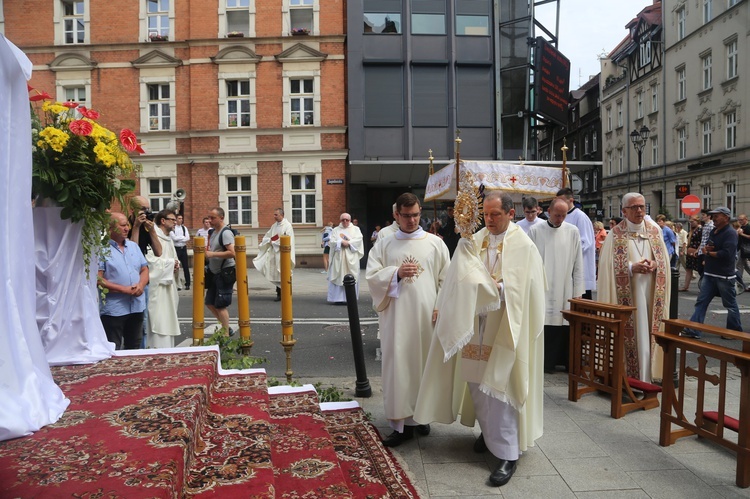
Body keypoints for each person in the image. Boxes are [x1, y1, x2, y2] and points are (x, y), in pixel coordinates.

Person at [415, 191, 546, 488]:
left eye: (495, 214)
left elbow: (530, 288)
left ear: (510, 214)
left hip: (506, 327)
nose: (489, 219)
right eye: (485, 214)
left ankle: (508, 453)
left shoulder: (523, 245)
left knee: (501, 386)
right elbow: (459, 277)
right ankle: (490, 437)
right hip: (477, 324)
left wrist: (501, 290)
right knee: (476, 382)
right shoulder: (475, 240)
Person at [366, 193, 450, 447]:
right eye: (406, 216)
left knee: (424, 366)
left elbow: (446, 280)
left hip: (427, 318)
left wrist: (440, 307)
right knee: (399, 367)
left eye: (415, 215)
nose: (412, 220)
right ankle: (400, 426)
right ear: (396, 215)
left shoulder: (435, 244)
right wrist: (396, 274)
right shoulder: (385, 243)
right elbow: (371, 277)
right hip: (396, 318)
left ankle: (421, 417)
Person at [597, 193, 672, 382]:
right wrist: (631, 267)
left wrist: (655, 265)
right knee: (634, 332)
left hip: (651, 291)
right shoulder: (615, 234)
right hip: (628, 292)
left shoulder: (654, 231)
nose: (639, 210)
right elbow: (606, 267)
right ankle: (627, 377)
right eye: (634, 207)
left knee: (649, 330)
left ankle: (649, 376)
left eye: (642, 206)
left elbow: (664, 261)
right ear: (624, 211)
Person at [528, 197, 584, 373]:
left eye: (563, 215)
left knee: (564, 324)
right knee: (545, 323)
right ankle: (546, 362)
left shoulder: (573, 231)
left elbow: (578, 262)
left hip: (565, 285)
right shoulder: (536, 230)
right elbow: (529, 260)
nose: (560, 219)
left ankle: (563, 361)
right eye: (557, 215)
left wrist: (578, 291)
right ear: (548, 212)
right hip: (542, 285)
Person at [681, 207, 743, 339]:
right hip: (710, 274)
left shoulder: (730, 233)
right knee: (701, 302)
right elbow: (709, 246)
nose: (714, 218)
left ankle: (734, 331)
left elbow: (727, 254)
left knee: (730, 304)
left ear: (726, 217)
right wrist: (706, 249)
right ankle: (694, 330)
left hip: (724, 276)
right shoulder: (714, 231)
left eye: (717, 216)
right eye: (713, 216)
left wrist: (708, 253)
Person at [98, 213, 149, 350]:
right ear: (111, 228)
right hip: (114, 309)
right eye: (122, 225)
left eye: (127, 225)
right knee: (113, 346)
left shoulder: (133, 246)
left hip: (136, 306)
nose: (127, 228)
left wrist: (141, 285)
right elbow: (98, 279)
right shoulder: (101, 249)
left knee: (134, 345)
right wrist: (124, 290)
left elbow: (144, 269)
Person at [145, 210, 181, 348]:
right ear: (163, 221)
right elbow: (149, 260)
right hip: (158, 287)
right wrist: (170, 264)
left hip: (169, 285)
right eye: (172, 219)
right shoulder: (153, 235)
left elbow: (173, 258)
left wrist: (176, 264)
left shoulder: (168, 238)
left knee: (168, 319)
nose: (175, 222)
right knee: (159, 321)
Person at [556, 188, 595, 299]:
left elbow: (586, 242)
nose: (560, 204)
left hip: (579, 266)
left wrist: (566, 252)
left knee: (583, 307)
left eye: (562, 201)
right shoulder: (563, 216)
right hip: (566, 266)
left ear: (571, 200)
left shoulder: (580, 217)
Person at [205, 207, 236, 335]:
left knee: (220, 304)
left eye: (213, 218)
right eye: (209, 217)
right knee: (209, 302)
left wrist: (212, 255)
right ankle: (226, 327)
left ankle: (226, 334)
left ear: (221, 218)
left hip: (224, 272)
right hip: (214, 272)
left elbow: (232, 253)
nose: (210, 220)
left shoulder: (226, 233)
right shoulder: (212, 232)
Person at [253, 208, 295, 301]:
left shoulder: (287, 226)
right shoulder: (274, 226)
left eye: (276, 215)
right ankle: (279, 293)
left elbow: (287, 239)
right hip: (275, 253)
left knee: (284, 272)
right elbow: (268, 237)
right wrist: (269, 241)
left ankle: (287, 293)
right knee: (276, 273)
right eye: (274, 214)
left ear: (281, 215)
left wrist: (274, 242)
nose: (274, 216)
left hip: (283, 253)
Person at [327, 213, 364, 303]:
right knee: (338, 276)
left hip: (351, 257)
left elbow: (359, 239)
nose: (345, 221)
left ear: (350, 220)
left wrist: (349, 243)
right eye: (343, 219)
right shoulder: (336, 230)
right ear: (340, 220)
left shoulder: (356, 229)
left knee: (351, 276)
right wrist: (340, 242)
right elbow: (332, 241)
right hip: (338, 258)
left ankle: (350, 298)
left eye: (347, 220)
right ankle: (337, 299)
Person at [681, 216, 703, 291]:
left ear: (697, 221)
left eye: (692, 222)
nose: (691, 223)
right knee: (688, 269)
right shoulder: (692, 230)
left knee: (700, 270)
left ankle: (704, 287)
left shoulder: (700, 229)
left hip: (696, 252)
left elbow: (702, 241)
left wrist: (698, 250)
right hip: (690, 251)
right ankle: (686, 286)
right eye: (690, 222)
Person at [170, 214, 191, 290]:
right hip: (176, 248)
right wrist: (182, 238)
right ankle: (177, 284)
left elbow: (188, 238)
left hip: (183, 248)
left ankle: (187, 283)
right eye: (179, 218)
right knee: (176, 266)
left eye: (181, 218)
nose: (181, 220)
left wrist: (181, 238)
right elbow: (174, 238)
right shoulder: (173, 228)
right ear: (176, 219)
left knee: (186, 267)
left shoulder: (184, 228)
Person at [737, 214, 750, 292]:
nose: (740, 221)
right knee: (743, 265)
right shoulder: (741, 227)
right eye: (739, 220)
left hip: (747, 249)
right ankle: (739, 281)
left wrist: (742, 234)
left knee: (740, 265)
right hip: (741, 249)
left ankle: (739, 282)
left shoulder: (748, 227)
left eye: (741, 220)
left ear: (746, 219)